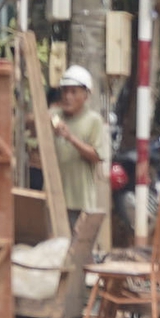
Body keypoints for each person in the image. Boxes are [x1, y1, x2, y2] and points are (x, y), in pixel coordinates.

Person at [51, 64, 111, 229]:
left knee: (77, 250)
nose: (68, 97)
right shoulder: (55, 116)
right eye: (65, 91)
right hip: (54, 198)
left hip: (80, 201)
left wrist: (70, 138)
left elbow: (97, 156)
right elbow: (32, 121)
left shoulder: (93, 120)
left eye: (73, 92)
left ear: (85, 95)